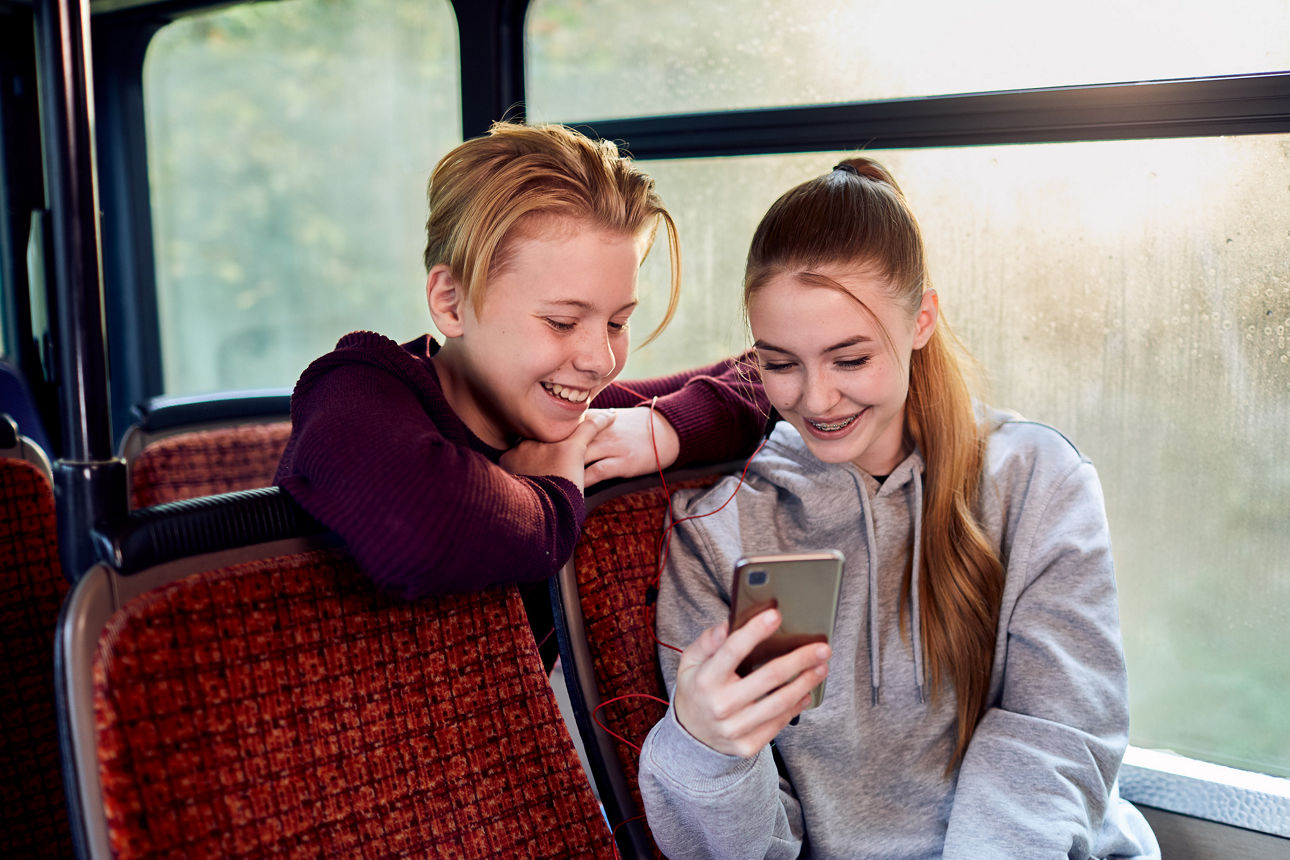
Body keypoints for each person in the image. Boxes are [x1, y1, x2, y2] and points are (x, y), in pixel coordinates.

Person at [637, 159, 1159, 858]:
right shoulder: (718, 530)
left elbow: (1053, 739)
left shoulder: (1038, 480)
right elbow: (754, 848)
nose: (816, 399)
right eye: (781, 364)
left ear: (921, 320)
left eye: (850, 360)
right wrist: (705, 751)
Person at [274, 122, 768, 665]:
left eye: (617, 323)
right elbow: (417, 530)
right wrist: (555, 490)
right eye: (561, 322)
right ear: (451, 302)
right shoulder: (352, 388)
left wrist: (664, 426)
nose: (600, 361)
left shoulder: (563, 416)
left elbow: (774, 374)